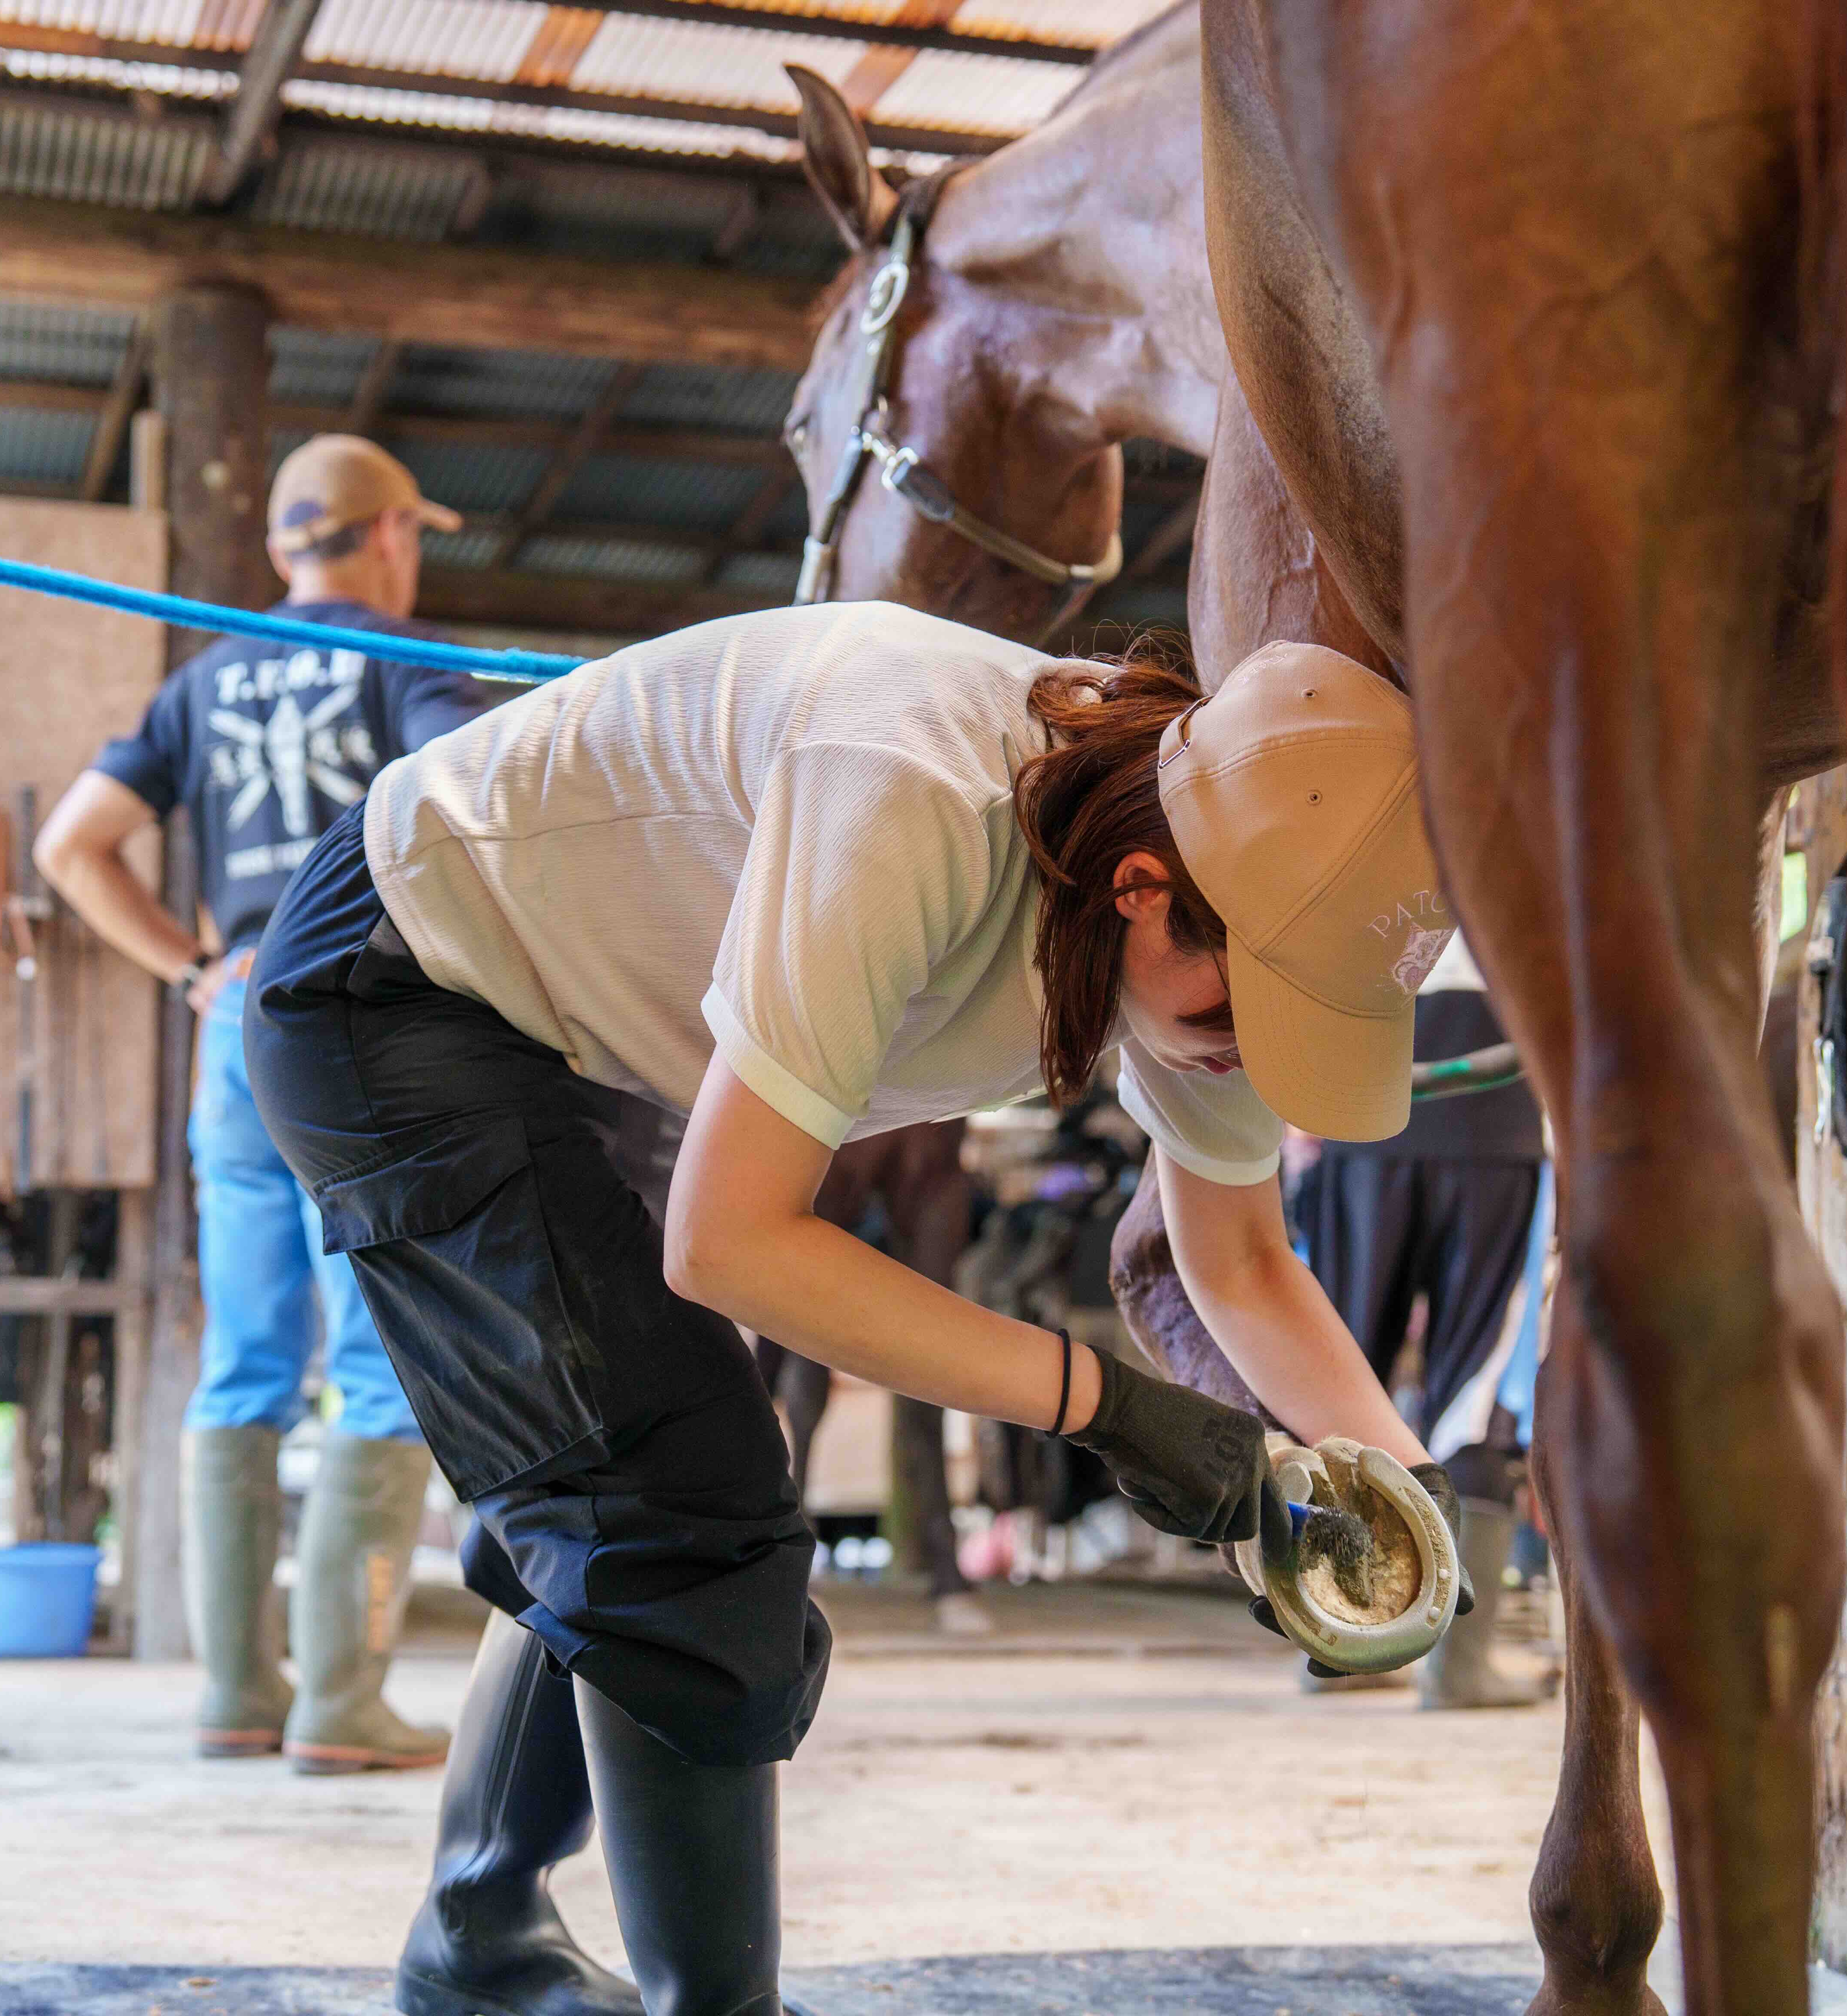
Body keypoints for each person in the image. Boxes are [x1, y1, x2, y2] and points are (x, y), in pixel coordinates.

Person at [240, 605, 1470, 2016]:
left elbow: (1241, 1263)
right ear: (1141, 887)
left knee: (623, 1472)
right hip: (395, 981)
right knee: (680, 1489)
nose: (1244, 1054)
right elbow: (734, 1243)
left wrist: (1406, 1499)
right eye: (1242, 1013)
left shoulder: (1224, 919)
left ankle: (474, 1944)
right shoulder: (909, 785)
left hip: (578, 1032)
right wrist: (1111, 1407)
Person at [34, 434, 488, 1773]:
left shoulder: (204, 673)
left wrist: (187, 964)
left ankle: (236, 1693)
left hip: (234, 1021)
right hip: (359, 1021)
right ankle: (342, 1704)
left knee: (246, 1358)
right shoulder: (407, 662)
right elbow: (463, 805)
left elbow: (75, 846)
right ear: (394, 535)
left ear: (288, 548)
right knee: (381, 1364)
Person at [1288, 935, 1554, 1709]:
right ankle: (1458, 1665)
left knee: (1337, 1368)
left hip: (1362, 1090)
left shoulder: (1343, 815)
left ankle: (1343, 1646)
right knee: (1477, 1381)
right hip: (1496, 1104)